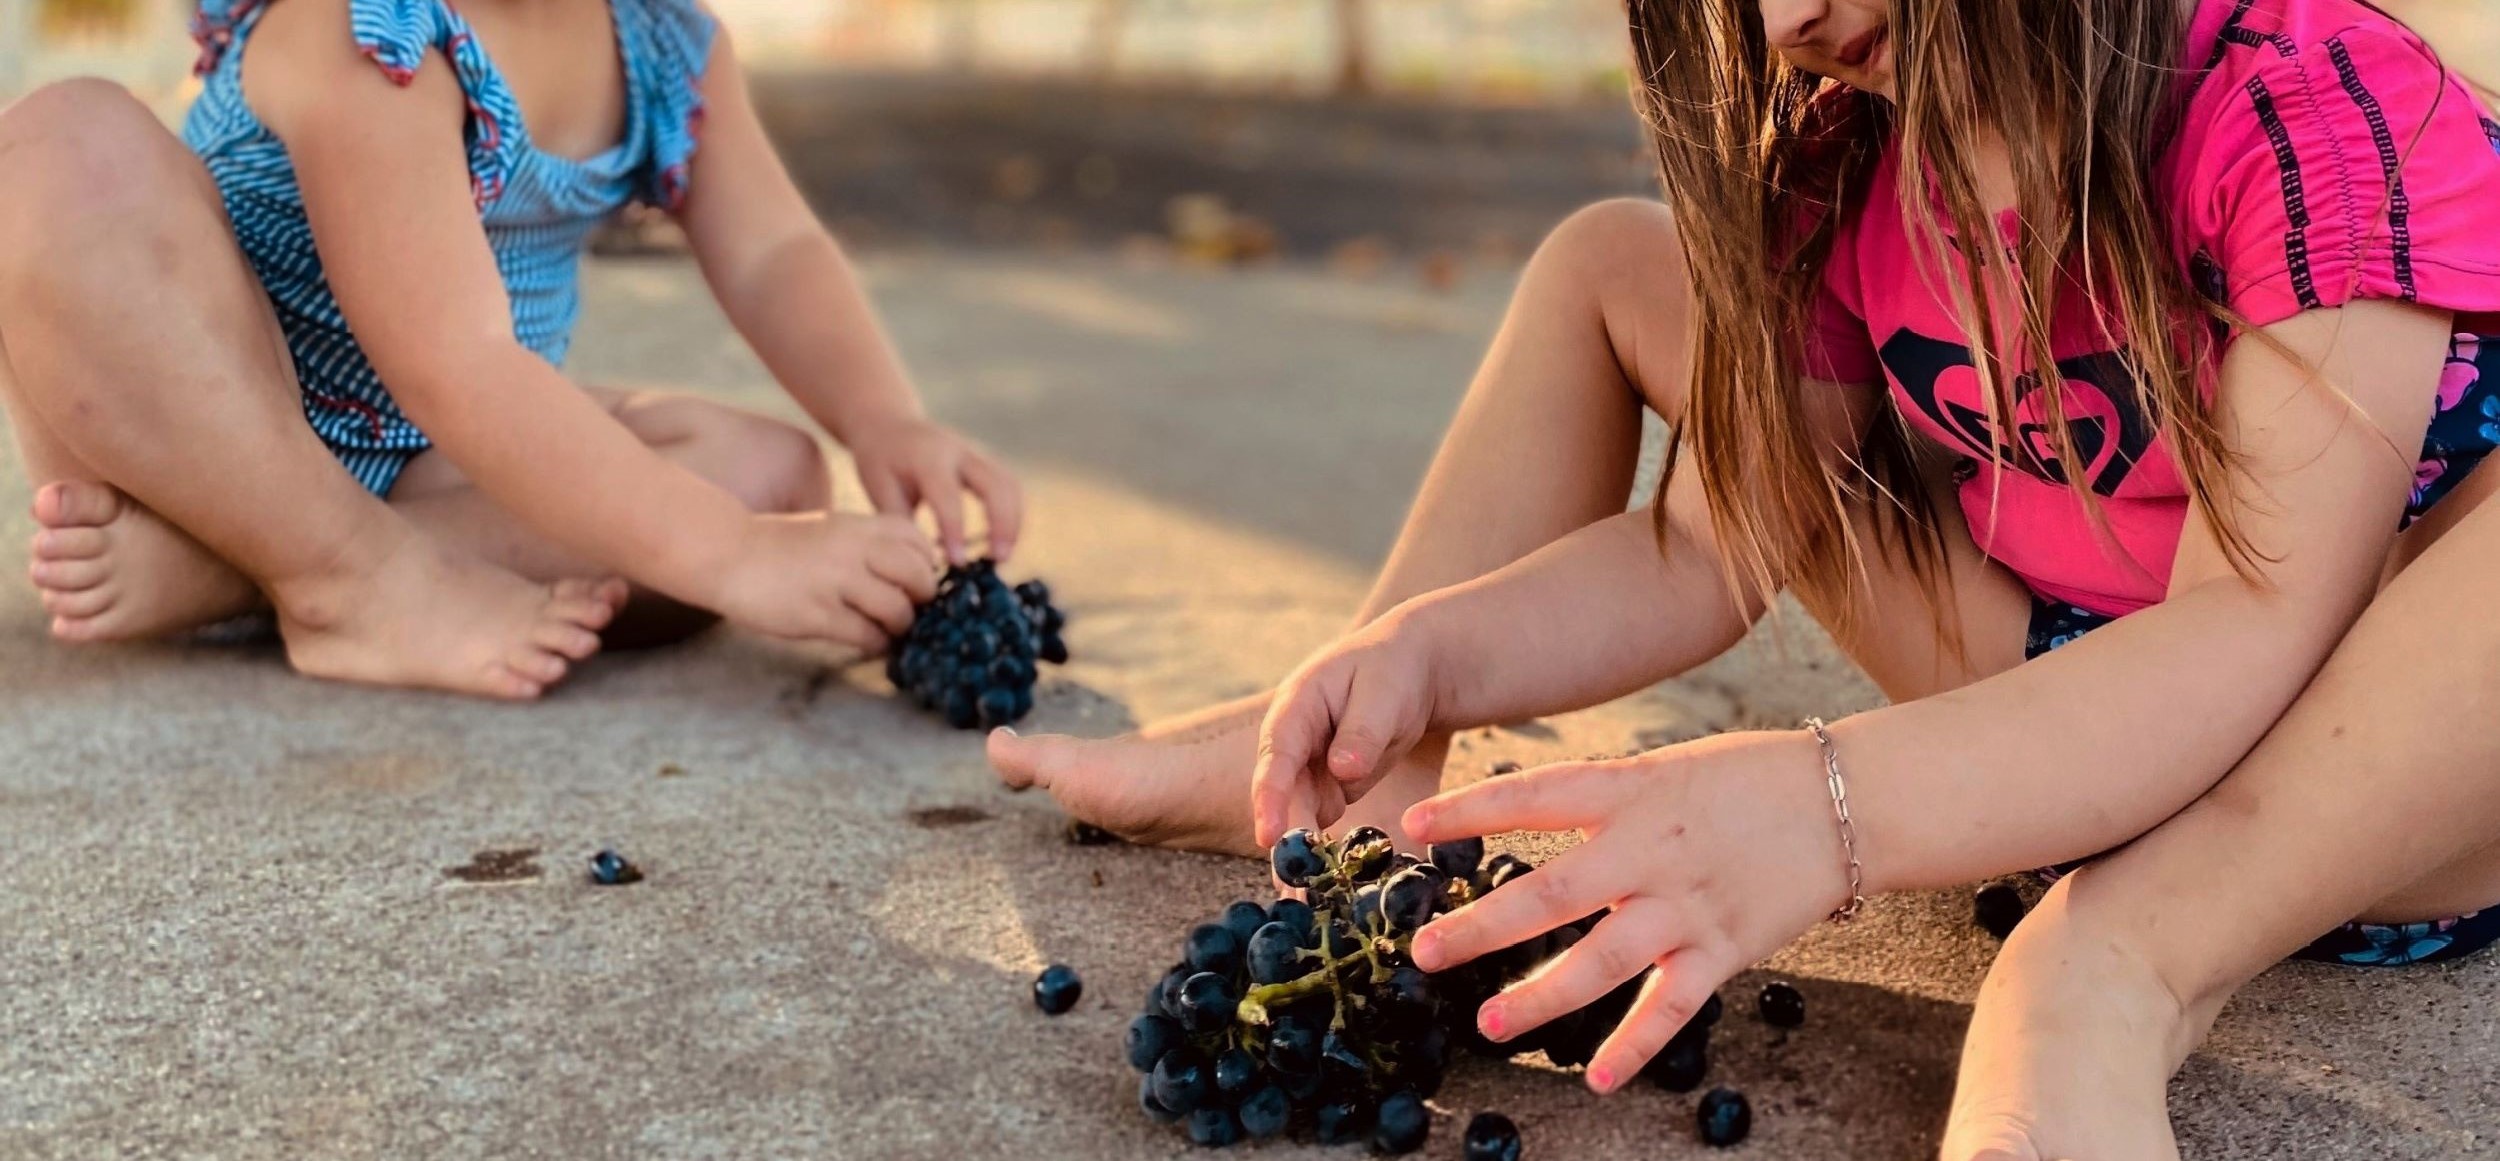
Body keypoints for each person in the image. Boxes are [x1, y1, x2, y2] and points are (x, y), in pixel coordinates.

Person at [997, 1, 2500, 1154]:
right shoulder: (1846, 147)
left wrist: (1826, 801)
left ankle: (2114, 968)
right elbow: (1707, 544)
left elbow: (2255, 626)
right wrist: (1435, 652)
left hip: (2362, 790)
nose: (1783, 20)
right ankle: (1360, 772)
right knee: (1611, 266)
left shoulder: (2307, 112)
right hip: (2048, 713)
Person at [0, 0, 1021, 699]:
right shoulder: (376, 34)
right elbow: (456, 362)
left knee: (773, 475)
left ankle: (226, 576)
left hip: (440, 467)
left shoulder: (661, 43)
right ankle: (334, 574)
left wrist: (883, 415)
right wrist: (730, 555)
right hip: (198, 433)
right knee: (64, 146)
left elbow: (771, 250)